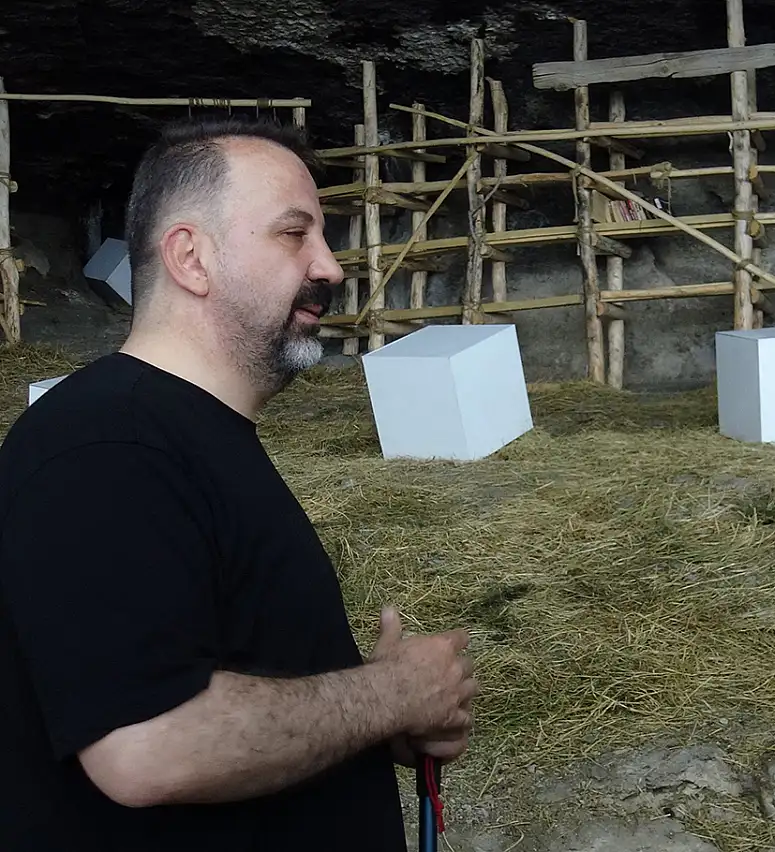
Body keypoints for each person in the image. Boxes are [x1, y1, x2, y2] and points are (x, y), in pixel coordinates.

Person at [0, 118, 476, 851]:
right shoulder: (106, 445)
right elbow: (148, 743)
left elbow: (232, 679)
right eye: (294, 234)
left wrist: (375, 725)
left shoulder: (181, 436)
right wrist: (392, 694)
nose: (330, 267)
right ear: (192, 258)